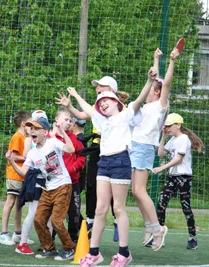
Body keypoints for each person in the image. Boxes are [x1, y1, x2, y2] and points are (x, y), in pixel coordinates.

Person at [67, 67, 156, 267]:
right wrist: (73, 97)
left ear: (116, 100)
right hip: (104, 163)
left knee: (118, 208)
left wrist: (149, 82)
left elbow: (140, 99)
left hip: (121, 162)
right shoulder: (101, 119)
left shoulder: (126, 115)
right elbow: (89, 110)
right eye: (100, 102)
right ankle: (94, 253)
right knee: (100, 209)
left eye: (105, 99)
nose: (101, 103)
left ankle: (124, 253)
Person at [55, 77, 129, 241]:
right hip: (98, 148)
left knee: (114, 188)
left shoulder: (119, 109)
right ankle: (90, 221)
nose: (97, 88)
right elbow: (82, 113)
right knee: (92, 184)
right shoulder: (98, 106)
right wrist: (69, 106)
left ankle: (118, 221)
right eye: (97, 87)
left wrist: (75, 96)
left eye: (101, 86)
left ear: (111, 89)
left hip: (115, 151)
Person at [130, 47, 180, 251]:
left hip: (144, 148)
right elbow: (156, 77)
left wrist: (172, 61)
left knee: (140, 191)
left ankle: (158, 228)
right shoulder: (145, 106)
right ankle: (150, 226)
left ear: (157, 92)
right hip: (134, 147)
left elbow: (164, 82)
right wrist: (155, 58)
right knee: (135, 191)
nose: (150, 86)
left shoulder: (160, 105)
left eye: (153, 87)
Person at [7, 116, 76, 261]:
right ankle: (49, 248)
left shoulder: (53, 143)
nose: (32, 131)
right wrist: (12, 161)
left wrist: (63, 133)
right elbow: (23, 173)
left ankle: (69, 249)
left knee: (57, 221)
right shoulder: (32, 153)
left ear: (45, 132)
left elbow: (70, 149)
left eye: (36, 129)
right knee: (38, 219)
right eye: (31, 129)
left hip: (63, 185)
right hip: (47, 188)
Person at [153, 113, 203, 250]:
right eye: (166, 126)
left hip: (184, 178)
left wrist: (162, 168)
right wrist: (163, 137)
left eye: (169, 126)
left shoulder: (184, 139)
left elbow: (178, 159)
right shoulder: (173, 140)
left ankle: (192, 238)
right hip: (172, 178)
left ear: (178, 125)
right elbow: (160, 153)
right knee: (161, 203)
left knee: (185, 207)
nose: (167, 128)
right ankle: (159, 236)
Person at [0, 111, 34, 246]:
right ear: (24, 124)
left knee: (19, 204)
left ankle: (18, 234)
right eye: (30, 123)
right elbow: (12, 156)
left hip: (22, 175)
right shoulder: (17, 137)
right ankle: (3, 233)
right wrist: (27, 158)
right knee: (10, 202)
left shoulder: (25, 137)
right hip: (14, 174)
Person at [50, 108, 86, 244]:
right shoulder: (50, 138)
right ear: (56, 120)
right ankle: (50, 238)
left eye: (70, 120)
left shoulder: (75, 140)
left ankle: (73, 237)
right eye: (66, 119)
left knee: (74, 211)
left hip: (73, 181)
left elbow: (82, 158)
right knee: (55, 210)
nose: (69, 122)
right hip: (56, 182)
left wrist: (73, 168)